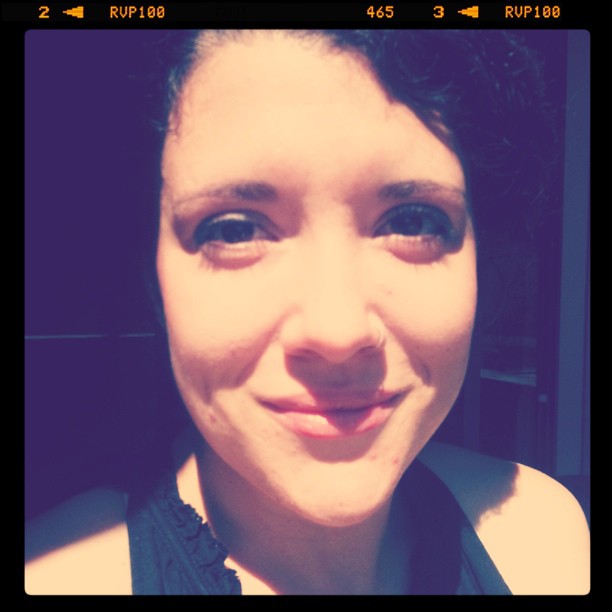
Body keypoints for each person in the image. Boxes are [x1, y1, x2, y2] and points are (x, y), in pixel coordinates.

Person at [24, 29, 590, 595]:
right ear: (155, 283)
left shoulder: (542, 542)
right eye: (235, 230)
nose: (337, 331)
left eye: (412, 222)